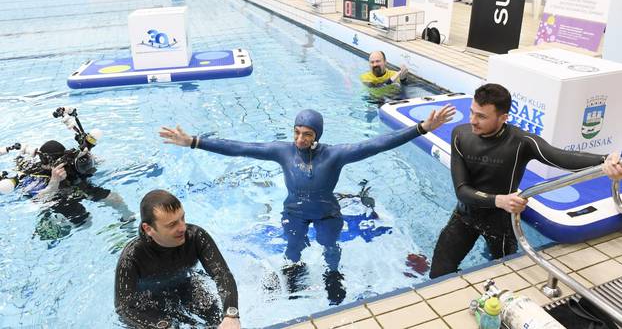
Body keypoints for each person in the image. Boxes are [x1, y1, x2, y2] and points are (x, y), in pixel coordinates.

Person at [160, 105, 455, 305]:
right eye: (297, 132)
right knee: (293, 248)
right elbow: (240, 148)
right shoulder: (282, 151)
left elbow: (378, 143)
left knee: (330, 246)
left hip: (327, 213)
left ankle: (332, 274)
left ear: (318, 136)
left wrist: (421, 128)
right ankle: (294, 268)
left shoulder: (335, 155)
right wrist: (194, 141)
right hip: (294, 214)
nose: (300, 139)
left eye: (307, 134)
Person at [429, 83, 622, 278]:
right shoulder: (460, 135)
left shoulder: (521, 142)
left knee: (503, 277)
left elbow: (560, 157)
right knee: (438, 273)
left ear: (503, 118)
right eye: (472, 112)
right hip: (465, 216)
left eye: (481, 116)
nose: (473, 121)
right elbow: (462, 190)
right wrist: (499, 200)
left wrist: (604, 160)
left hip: (501, 224)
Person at [115, 189, 240, 329]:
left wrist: (231, 314)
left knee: (218, 320)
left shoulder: (196, 237)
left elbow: (222, 274)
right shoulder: (132, 257)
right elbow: (124, 308)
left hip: (186, 286)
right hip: (149, 302)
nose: (182, 228)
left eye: (183, 218)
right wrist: (162, 326)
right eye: (172, 224)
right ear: (148, 229)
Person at [19, 140, 134, 239]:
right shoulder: (36, 176)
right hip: (58, 197)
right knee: (85, 223)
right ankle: (48, 231)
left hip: (77, 187)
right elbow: (37, 201)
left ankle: (129, 227)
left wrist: (89, 159)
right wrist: (54, 182)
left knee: (115, 199)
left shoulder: (70, 163)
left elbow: (100, 164)